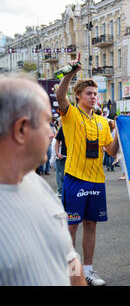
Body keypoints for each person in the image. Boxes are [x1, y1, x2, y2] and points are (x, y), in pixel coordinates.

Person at [0, 75, 85, 286]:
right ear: (21, 129)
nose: (51, 133)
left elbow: (69, 258)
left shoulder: (39, 186)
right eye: (47, 121)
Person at [55, 56, 120, 286]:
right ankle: (70, 272)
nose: (94, 97)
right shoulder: (70, 114)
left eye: (95, 94)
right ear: (79, 97)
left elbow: (111, 152)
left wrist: (119, 134)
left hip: (97, 181)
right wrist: (71, 73)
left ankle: (89, 271)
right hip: (75, 179)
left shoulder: (103, 121)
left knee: (91, 225)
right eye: (89, 94)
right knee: (72, 226)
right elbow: (60, 96)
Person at [55, 126, 67, 197]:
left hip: (74, 158)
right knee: (61, 176)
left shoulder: (78, 126)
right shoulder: (63, 128)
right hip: (63, 157)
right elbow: (57, 141)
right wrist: (57, 153)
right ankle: (61, 191)